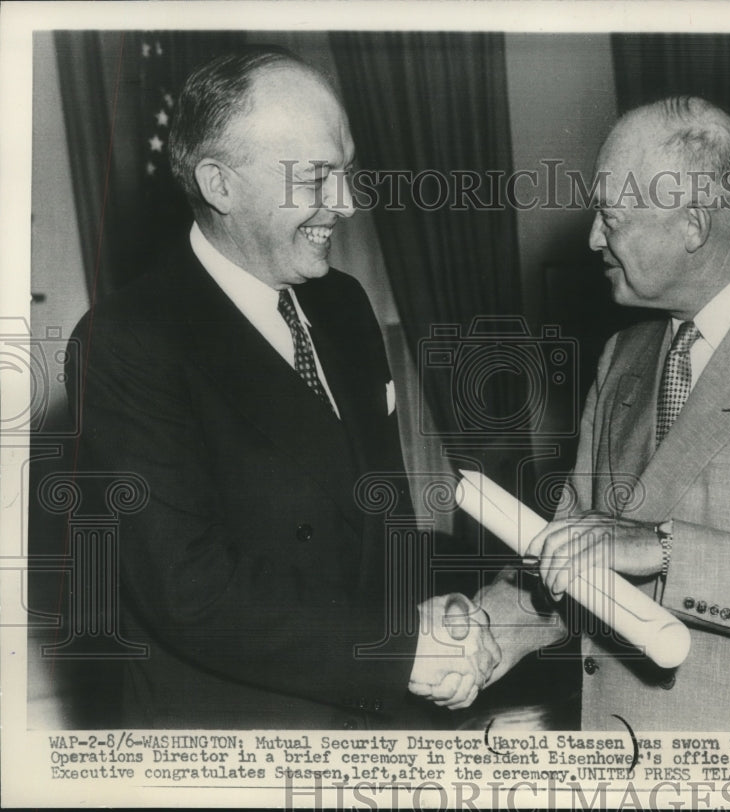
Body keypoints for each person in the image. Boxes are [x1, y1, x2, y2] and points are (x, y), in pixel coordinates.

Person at [428, 96, 730, 730]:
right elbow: (573, 559)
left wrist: (663, 550)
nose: (591, 238)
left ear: (693, 224)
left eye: (611, 217)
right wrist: (483, 630)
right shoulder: (623, 359)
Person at [67, 48, 498, 729]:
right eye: (318, 177)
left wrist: (434, 609)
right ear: (220, 185)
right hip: (240, 741)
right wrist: (399, 648)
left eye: (347, 172)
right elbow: (192, 593)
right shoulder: (125, 342)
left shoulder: (345, 306)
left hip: (375, 719)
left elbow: (377, 521)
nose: (349, 204)